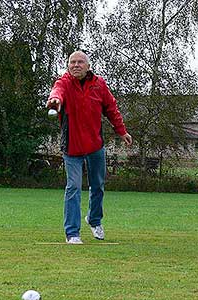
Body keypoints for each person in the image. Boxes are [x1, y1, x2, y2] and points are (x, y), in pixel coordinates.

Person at [46, 50, 132, 245]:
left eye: (80, 62)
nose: (76, 65)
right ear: (68, 66)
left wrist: (122, 131)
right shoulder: (64, 83)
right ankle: (72, 233)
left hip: (95, 146)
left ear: (88, 67)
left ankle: (94, 220)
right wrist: (55, 101)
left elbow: (111, 108)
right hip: (72, 147)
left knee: (98, 186)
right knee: (74, 187)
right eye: (72, 62)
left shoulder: (99, 84)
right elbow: (56, 93)